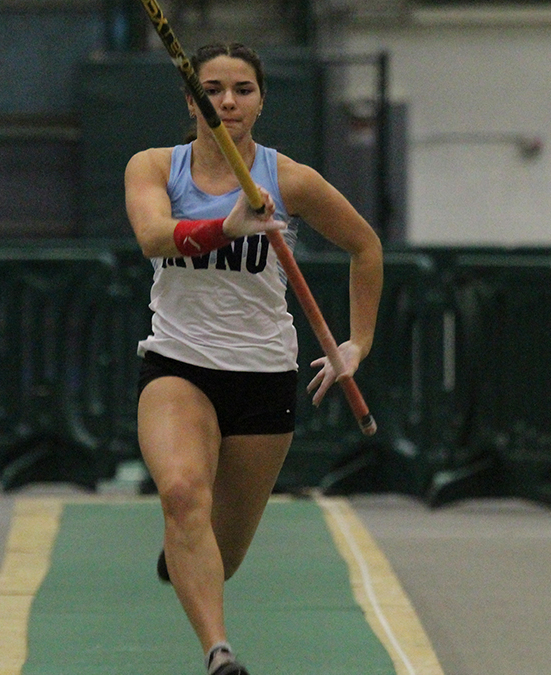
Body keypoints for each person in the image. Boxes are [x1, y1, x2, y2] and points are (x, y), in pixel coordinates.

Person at [123, 42, 383, 675]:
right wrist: (225, 228)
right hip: (179, 364)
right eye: (212, 89)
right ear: (192, 101)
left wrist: (357, 343)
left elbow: (365, 247)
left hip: (263, 376)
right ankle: (220, 654)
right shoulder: (156, 167)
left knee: (224, 550)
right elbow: (154, 236)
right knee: (184, 494)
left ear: (261, 101)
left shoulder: (287, 178)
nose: (228, 101)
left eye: (242, 89)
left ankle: (186, 553)